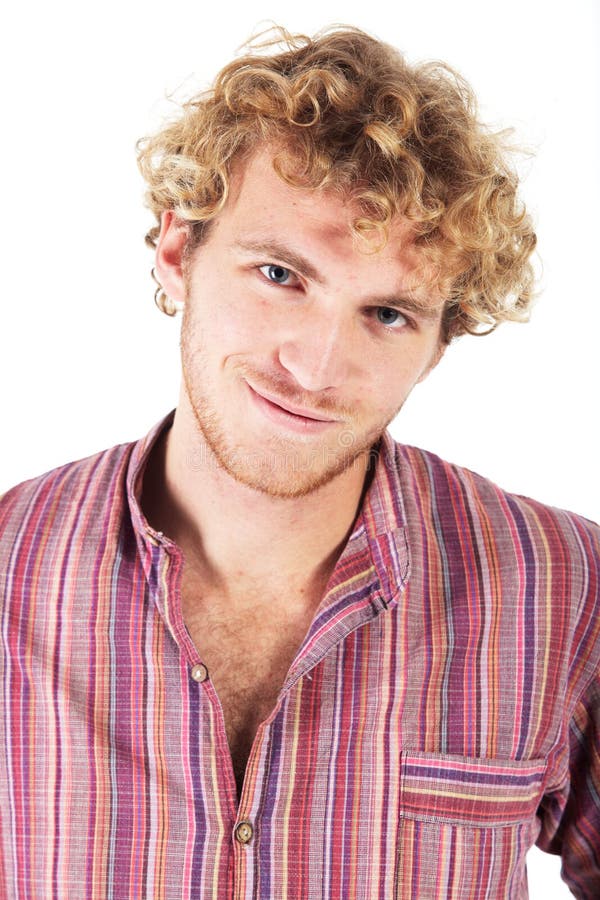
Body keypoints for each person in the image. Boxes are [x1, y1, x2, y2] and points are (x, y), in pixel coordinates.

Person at [0, 25, 598, 899]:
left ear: (439, 342)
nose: (316, 370)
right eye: (281, 274)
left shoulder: (566, 592)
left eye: (387, 314)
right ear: (177, 252)